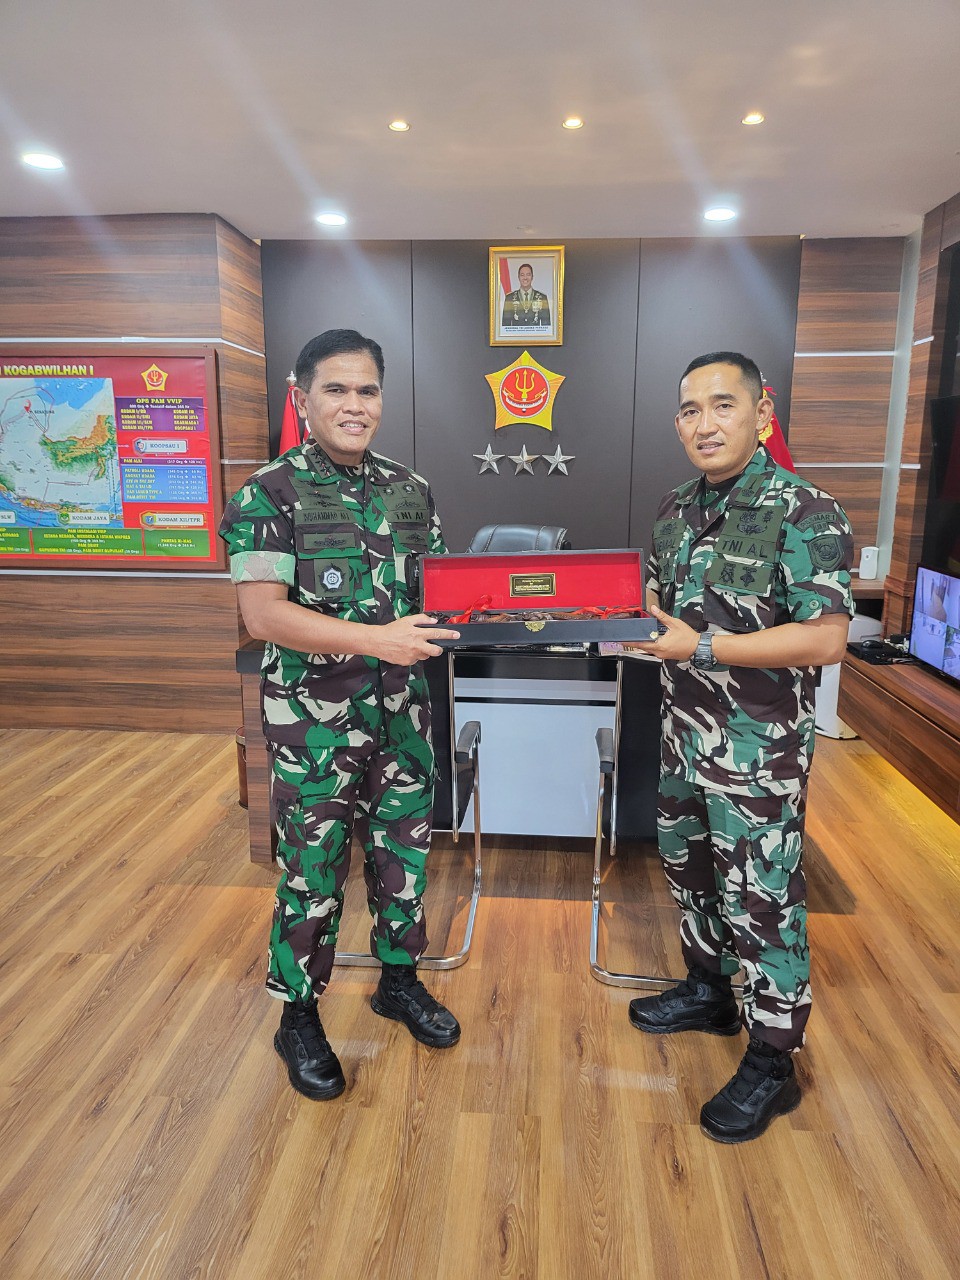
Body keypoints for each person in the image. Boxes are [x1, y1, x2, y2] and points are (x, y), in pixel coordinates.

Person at [219, 329, 461, 1102]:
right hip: (315, 727)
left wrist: (513, 612)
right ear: (301, 398)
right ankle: (297, 1014)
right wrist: (376, 640)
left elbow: (440, 596)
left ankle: (398, 981)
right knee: (312, 873)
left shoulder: (411, 489)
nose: (354, 405)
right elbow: (264, 616)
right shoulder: (268, 493)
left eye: (367, 391)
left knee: (404, 859)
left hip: (403, 719)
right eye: (336, 389)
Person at [627, 351, 854, 1143]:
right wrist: (629, 616)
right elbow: (662, 608)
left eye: (723, 406)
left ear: (762, 414)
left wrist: (701, 647)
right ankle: (710, 991)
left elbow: (825, 639)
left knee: (762, 899)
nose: (705, 424)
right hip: (684, 741)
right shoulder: (673, 509)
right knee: (690, 875)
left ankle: (773, 1058)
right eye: (690, 410)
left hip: (759, 756)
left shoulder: (807, 509)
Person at [501, 262, 551, 327]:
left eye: (528, 274)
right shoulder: (509, 298)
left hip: (535, 334)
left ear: (532, 277)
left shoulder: (542, 298)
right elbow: (505, 327)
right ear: (518, 277)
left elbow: (546, 327)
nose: (525, 278)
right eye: (522, 275)